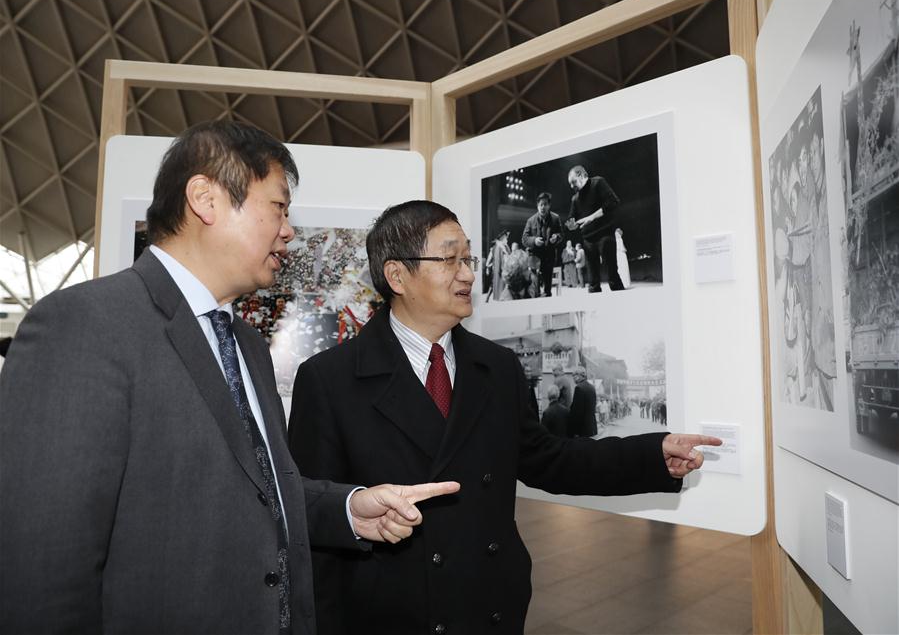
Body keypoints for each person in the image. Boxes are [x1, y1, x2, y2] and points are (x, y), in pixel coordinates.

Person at [0, 122, 457, 635]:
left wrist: (350, 509)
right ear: (205, 199)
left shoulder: (245, 344)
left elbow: (252, 490)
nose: (288, 230)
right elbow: (43, 564)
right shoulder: (84, 325)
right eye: (279, 208)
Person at [288, 200, 721, 635]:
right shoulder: (330, 380)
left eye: (468, 258)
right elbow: (314, 520)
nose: (468, 274)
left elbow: (549, 460)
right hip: (390, 616)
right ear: (397, 275)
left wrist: (651, 454)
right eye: (449, 258)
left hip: (489, 607)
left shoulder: (496, 367)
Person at [566, 165, 623, 292]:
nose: (571, 186)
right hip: (588, 241)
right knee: (592, 284)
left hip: (605, 235)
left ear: (581, 175)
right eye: (570, 184)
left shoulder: (598, 182)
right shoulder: (574, 198)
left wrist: (591, 217)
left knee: (612, 277)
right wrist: (571, 225)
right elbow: (571, 218)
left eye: (573, 182)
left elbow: (613, 202)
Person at [521, 192, 563, 297]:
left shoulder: (555, 218)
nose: (543, 207)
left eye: (545, 204)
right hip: (534, 259)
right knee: (535, 290)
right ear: (537, 206)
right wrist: (534, 241)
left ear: (549, 205)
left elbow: (562, 234)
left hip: (549, 257)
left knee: (547, 291)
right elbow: (524, 239)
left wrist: (556, 237)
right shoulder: (530, 221)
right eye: (541, 205)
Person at [570, 366, 598, 437]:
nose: (573, 377)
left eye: (574, 375)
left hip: (582, 429)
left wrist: (575, 431)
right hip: (591, 427)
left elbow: (577, 412)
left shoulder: (579, 388)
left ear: (579, 375)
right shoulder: (592, 387)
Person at [485, 230, 510, 302]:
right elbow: (488, 263)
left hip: (505, 271)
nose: (507, 238)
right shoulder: (497, 248)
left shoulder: (505, 247)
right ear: (502, 237)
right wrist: (493, 265)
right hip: (500, 271)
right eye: (506, 236)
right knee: (496, 286)